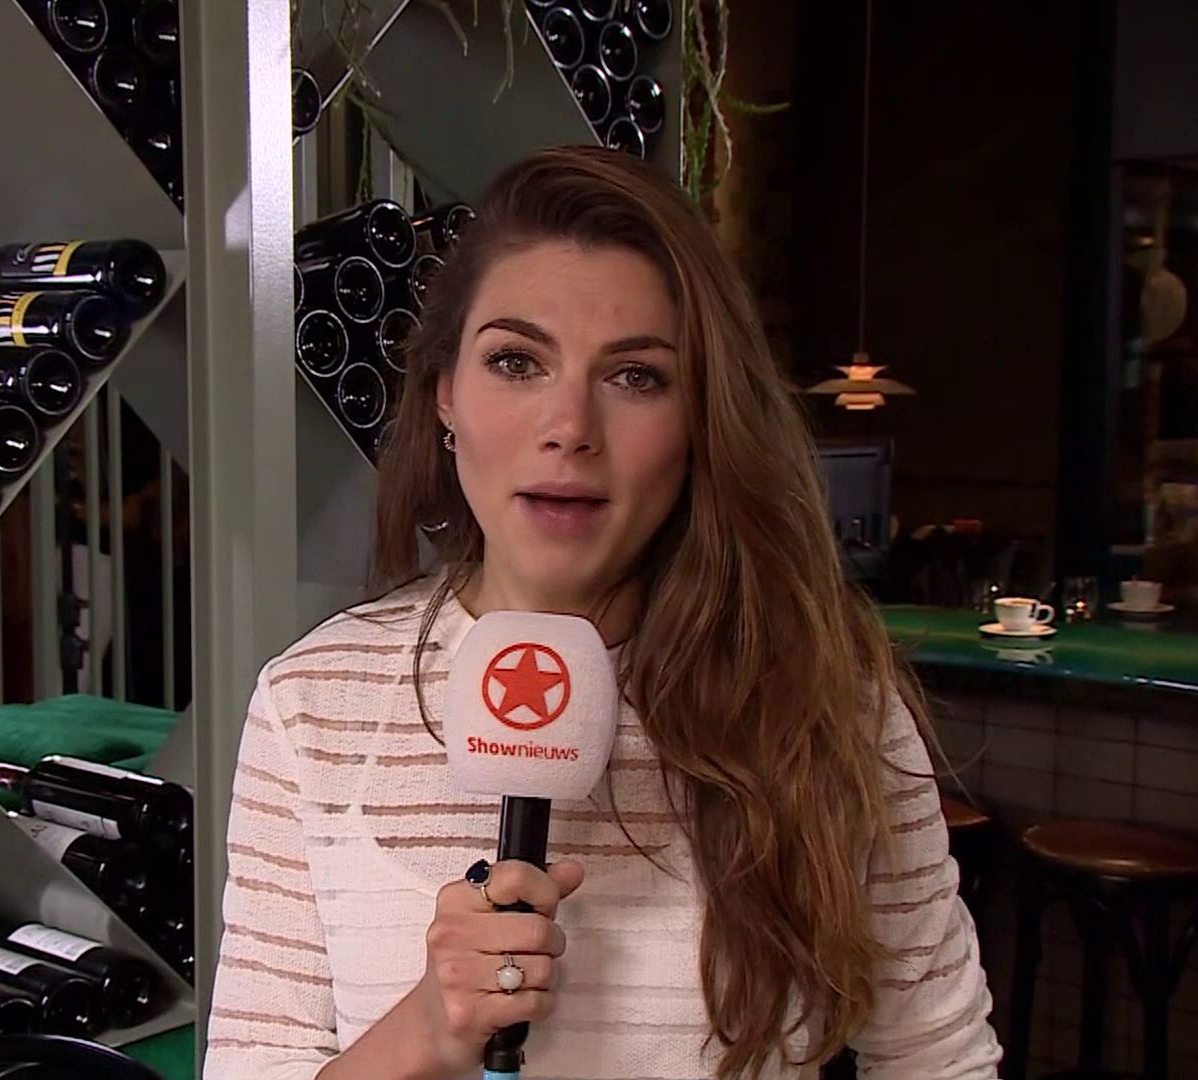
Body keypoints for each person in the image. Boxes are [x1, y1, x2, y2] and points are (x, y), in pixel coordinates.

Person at [205, 149, 1000, 1078]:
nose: (571, 428)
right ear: (447, 394)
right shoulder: (313, 703)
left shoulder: (826, 696)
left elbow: (939, 1057)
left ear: (701, 419)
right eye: (516, 362)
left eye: (637, 377)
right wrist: (424, 1032)